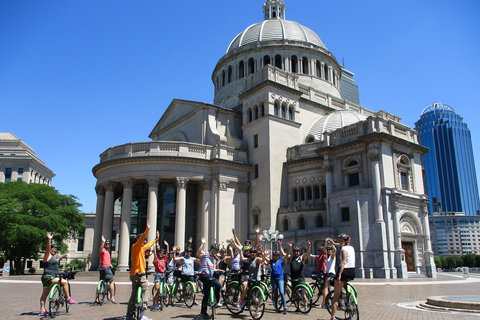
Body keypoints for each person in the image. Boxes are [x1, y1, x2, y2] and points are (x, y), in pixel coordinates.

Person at [124, 220, 158, 320]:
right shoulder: (135, 247)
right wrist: (147, 229)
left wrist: (155, 240)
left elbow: (147, 246)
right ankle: (144, 306)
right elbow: (141, 240)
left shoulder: (140, 249)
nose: (144, 241)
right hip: (138, 273)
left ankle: (129, 315)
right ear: (137, 239)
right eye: (143, 240)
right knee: (145, 287)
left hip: (135, 274)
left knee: (134, 294)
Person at [39, 232, 76, 316]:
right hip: (50, 277)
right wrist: (49, 239)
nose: (54, 250)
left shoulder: (52, 258)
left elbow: (55, 261)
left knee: (44, 294)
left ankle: (42, 310)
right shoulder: (47, 255)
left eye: (56, 249)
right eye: (53, 248)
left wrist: (62, 257)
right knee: (65, 282)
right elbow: (47, 249)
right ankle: (68, 298)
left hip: (46, 277)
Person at [330, 233, 355, 320]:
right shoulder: (351, 248)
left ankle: (333, 316)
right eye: (339, 241)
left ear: (345, 241)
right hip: (352, 271)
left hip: (345, 271)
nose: (340, 242)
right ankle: (349, 298)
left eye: (341, 241)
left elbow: (343, 262)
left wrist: (339, 275)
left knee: (335, 296)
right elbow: (342, 245)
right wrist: (333, 244)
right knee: (345, 285)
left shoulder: (343, 249)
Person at [197, 237, 223, 319]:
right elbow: (198, 254)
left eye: (216, 251)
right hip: (204, 275)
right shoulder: (205, 253)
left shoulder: (212, 259)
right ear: (210, 248)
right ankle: (217, 301)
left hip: (209, 276)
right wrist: (202, 244)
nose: (214, 251)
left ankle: (203, 312)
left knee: (206, 294)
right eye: (213, 249)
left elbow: (211, 269)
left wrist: (219, 270)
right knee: (218, 285)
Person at [265, 241, 287, 314]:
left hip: (280, 278)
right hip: (273, 279)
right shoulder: (271, 261)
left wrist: (286, 246)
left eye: (277, 255)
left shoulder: (281, 260)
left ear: (278, 256)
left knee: (281, 292)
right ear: (273, 256)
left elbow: (286, 256)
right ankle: (277, 307)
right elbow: (264, 258)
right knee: (275, 293)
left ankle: (285, 307)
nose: (276, 256)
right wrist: (263, 253)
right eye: (274, 255)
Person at [96, 235, 116, 304]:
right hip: (106, 268)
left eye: (108, 243)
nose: (107, 245)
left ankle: (97, 298)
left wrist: (110, 264)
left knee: (101, 281)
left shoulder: (107, 251)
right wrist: (103, 242)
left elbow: (106, 260)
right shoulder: (103, 250)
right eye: (106, 244)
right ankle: (112, 297)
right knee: (112, 282)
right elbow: (100, 250)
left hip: (104, 268)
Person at [151, 234, 169, 310]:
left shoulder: (164, 259)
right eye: (161, 252)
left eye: (163, 253)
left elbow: (167, 253)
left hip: (163, 275)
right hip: (158, 275)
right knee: (157, 289)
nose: (162, 254)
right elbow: (154, 252)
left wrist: (167, 246)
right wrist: (156, 240)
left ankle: (160, 301)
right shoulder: (156, 259)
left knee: (162, 290)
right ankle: (154, 303)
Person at [321, 239, 337, 308]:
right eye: (328, 249)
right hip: (331, 274)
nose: (328, 250)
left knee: (325, 288)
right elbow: (324, 250)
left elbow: (335, 250)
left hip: (330, 274)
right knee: (332, 289)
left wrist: (332, 244)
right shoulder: (328, 257)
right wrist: (325, 242)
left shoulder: (332, 256)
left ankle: (324, 303)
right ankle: (332, 302)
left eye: (330, 249)